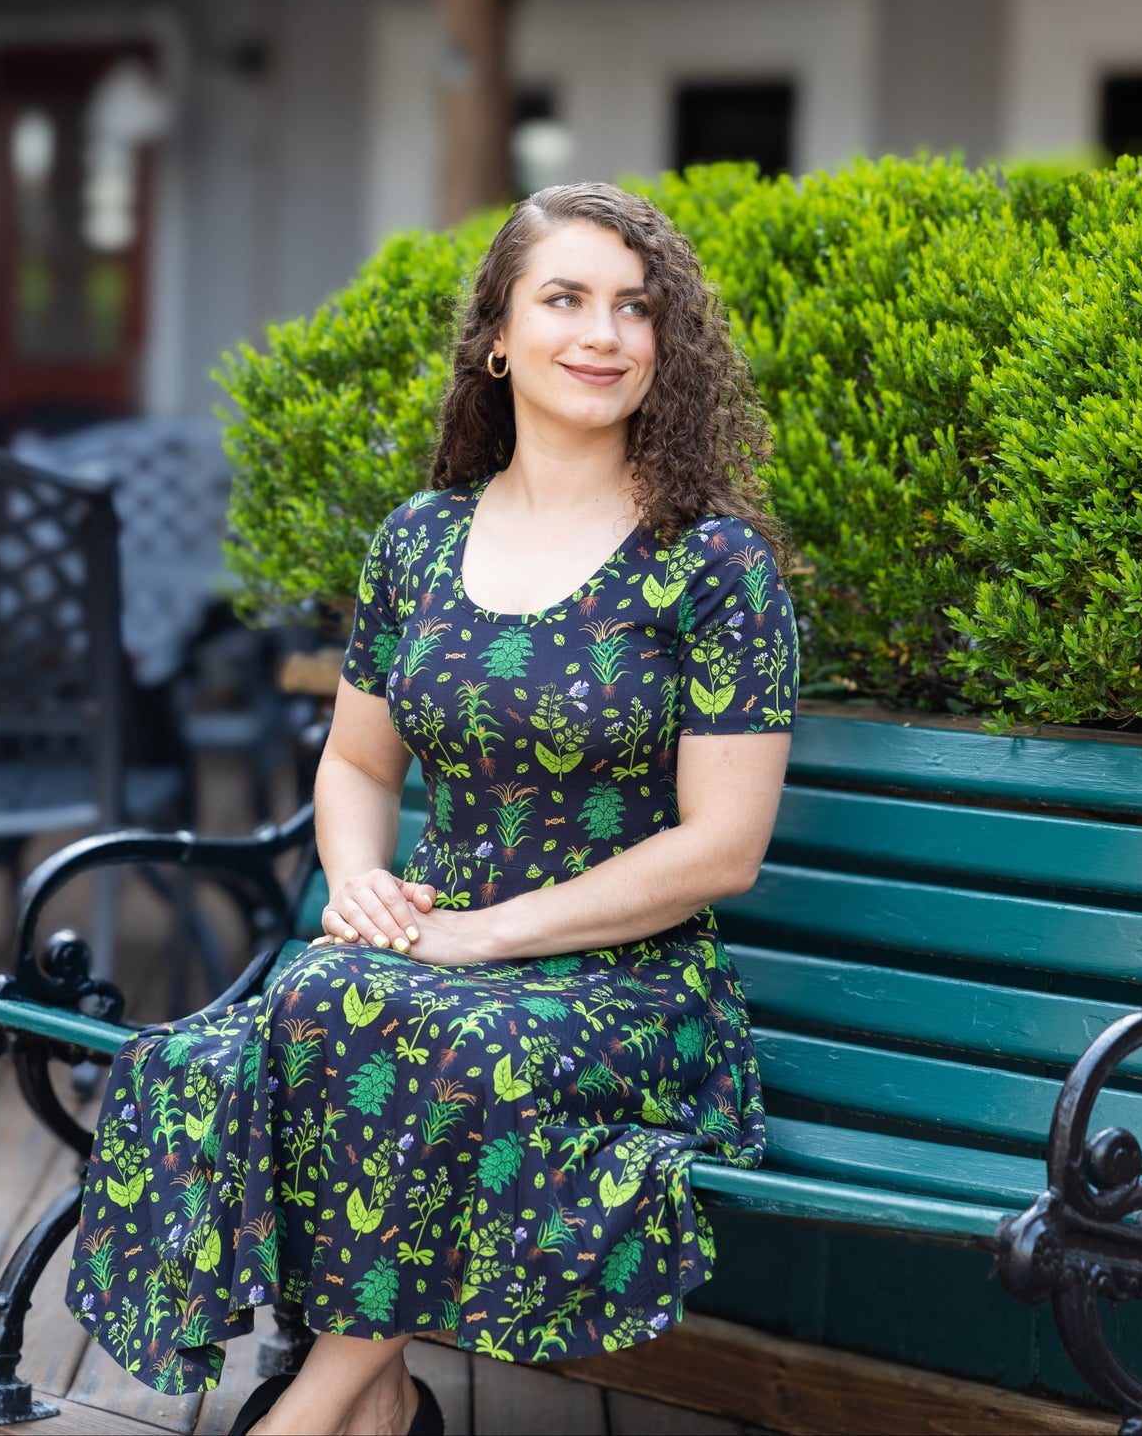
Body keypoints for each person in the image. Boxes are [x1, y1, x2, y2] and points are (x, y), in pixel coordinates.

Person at [65, 181, 798, 1436]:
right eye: (564, 298)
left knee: (451, 1039)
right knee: (307, 995)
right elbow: (356, 766)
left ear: (665, 346)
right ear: (498, 336)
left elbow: (720, 849)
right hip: (431, 960)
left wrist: (487, 934)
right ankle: (380, 1396)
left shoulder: (711, 563)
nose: (604, 333)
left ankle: (320, 1406)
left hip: (625, 989)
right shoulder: (417, 539)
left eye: (635, 307)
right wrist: (357, 879)